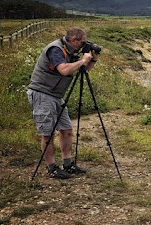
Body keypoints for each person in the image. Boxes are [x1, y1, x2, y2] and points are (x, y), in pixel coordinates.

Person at [27, 27, 99, 179]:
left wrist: (92, 59)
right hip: (42, 93)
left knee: (66, 129)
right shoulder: (55, 49)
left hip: (56, 96)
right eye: (83, 42)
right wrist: (82, 60)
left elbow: (83, 70)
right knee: (48, 133)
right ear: (74, 40)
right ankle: (52, 167)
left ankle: (68, 163)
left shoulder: (72, 51)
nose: (84, 45)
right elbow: (64, 70)